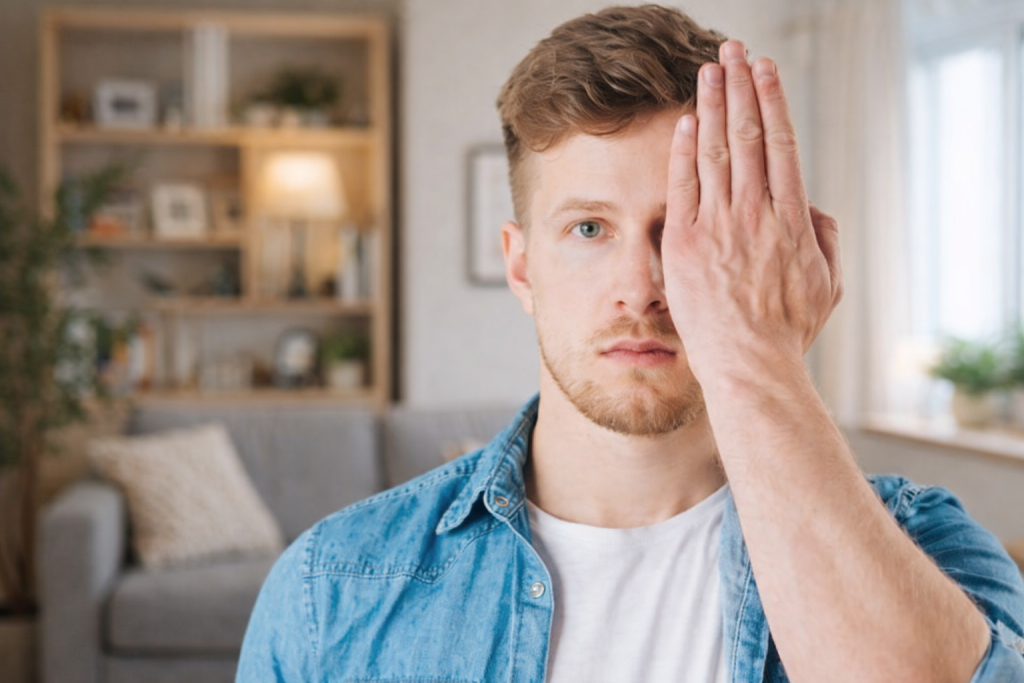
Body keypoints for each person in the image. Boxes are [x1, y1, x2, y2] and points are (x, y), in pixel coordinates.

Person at [237, 5, 1024, 682]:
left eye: (682, 229)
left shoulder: (928, 547)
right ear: (521, 265)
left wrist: (763, 354)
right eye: (589, 228)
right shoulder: (330, 587)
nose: (640, 287)